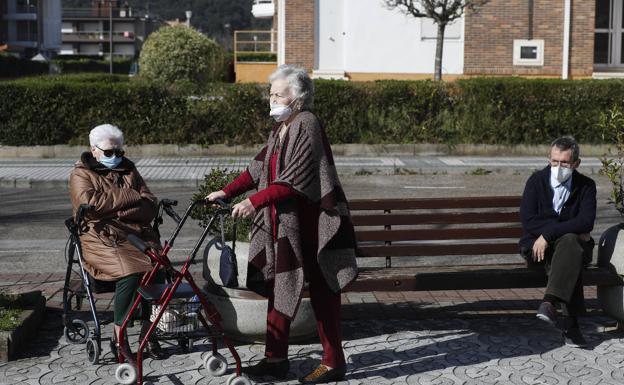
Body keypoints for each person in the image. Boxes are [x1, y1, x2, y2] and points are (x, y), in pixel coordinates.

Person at [206, 64, 358, 384]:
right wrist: (227, 190)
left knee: (323, 292)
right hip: (287, 225)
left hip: (315, 226)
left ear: (298, 98)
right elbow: (257, 169)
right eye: (271, 94)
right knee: (281, 287)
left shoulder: (307, 124)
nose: (271, 99)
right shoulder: (281, 128)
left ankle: (333, 362)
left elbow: (294, 181)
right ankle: (275, 360)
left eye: (277, 94)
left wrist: (253, 201)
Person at [69, 123, 165, 359]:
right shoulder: (81, 174)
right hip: (100, 238)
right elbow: (90, 207)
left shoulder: (129, 169)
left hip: (136, 235)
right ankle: (118, 337)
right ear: (94, 150)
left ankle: (148, 333)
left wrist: (119, 211)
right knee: (132, 271)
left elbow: (150, 205)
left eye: (119, 152)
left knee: (159, 268)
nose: (115, 157)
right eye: (109, 152)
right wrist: (131, 197)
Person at [519, 136, 596, 348]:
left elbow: (586, 221)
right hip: (537, 249)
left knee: (570, 245)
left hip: (562, 247)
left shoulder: (586, 186)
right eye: (554, 161)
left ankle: (549, 302)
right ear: (549, 159)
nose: (558, 166)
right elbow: (529, 220)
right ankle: (571, 326)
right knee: (572, 245)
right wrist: (563, 229)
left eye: (565, 163)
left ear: (576, 164)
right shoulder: (536, 182)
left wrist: (549, 233)